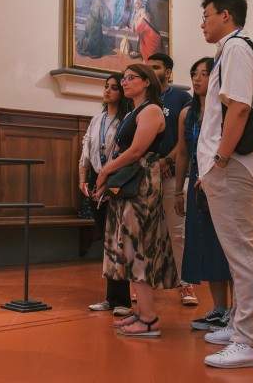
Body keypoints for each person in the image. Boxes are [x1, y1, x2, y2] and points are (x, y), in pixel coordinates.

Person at [197, 0, 253, 369]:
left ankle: (249, 341)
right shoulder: (231, 50)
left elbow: (239, 108)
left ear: (226, 16)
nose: (202, 22)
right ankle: (239, 325)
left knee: (242, 253)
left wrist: (220, 160)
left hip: (233, 165)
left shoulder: (238, 48)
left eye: (206, 15)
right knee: (237, 252)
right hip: (227, 166)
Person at [95, 64, 178, 337]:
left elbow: (138, 150)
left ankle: (150, 319)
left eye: (131, 78)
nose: (125, 82)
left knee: (137, 244)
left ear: (146, 82)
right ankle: (141, 311)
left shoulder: (152, 110)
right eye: (123, 78)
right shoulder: (133, 112)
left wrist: (107, 170)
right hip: (130, 182)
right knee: (128, 245)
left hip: (142, 183)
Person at [174, 57, 233, 331]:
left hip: (221, 180)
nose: (198, 79)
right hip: (197, 182)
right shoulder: (187, 113)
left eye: (205, 74)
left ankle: (235, 310)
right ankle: (219, 308)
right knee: (206, 244)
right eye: (194, 73)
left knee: (225, 246)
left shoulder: (223, 109)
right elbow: (183, 152)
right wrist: (178, 190)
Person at [78, 73, 132, 316]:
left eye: (114, 87)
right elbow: (87, 149)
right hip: (95, 180)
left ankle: (124, 300)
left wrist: (111, 182)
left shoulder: (126, 120)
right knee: (107, 241)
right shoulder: (97, 119)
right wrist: (82, 179)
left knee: (119, 240)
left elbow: (126, 154)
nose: (108, 91)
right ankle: (111, 297)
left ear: (122, 92)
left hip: (116, 182)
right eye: (106, 87)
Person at [145, 52, 196, 306]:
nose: (151, 71)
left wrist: (168, 161)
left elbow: (185, 139)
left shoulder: (181, 98)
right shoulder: (142, 99)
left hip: (172, 173)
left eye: (156, 67)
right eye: (147, 68)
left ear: (168, 71)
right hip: (145, 174)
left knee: (178, 232)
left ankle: (186, 284)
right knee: (146, 231)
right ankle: (144, 284)